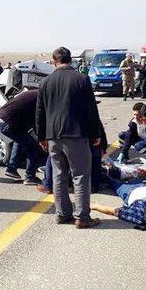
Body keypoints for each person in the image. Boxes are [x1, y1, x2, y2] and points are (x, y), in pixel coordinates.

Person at [36, 46, 102, 229]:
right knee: (80, 175)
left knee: (59, 176)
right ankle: (82, 217)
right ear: (70, 60)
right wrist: (95, 133)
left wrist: (41, 137)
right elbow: (91, 109)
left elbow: (40, 113)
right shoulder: (81, 79)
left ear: (54, 61)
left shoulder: (45, 82)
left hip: (53, 137)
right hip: (76, 135)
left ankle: (62, 214)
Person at [0, 89, 42, 185]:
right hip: (9, 122)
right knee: (33, 147)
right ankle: (30, 177)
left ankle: (11, 169)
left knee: (20, 141)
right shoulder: (41, 98)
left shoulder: (34, 93)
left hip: (2, 119)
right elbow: (38, 119)